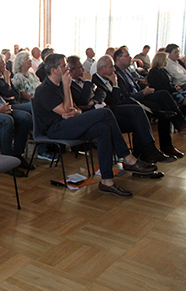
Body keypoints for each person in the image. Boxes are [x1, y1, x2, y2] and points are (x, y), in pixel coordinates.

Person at [34, 53, 157, 198]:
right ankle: (127, 157)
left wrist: (77, 112)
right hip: (56, 130)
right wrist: (67, 89)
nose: (67, 69)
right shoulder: (44, 90)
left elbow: (75, 109)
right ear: (54, 70)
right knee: (105, 113)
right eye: (63, 66)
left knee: (103, 129)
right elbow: (67, 111)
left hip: (68, 124)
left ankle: (107, 181)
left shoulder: (60, 85)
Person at [87, 55, 177, 163]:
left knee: (138, 115)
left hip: (120, 109)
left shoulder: (109, 78)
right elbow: (113, 102)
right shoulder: (96, 82)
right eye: (111, 67)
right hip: (110, 114)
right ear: (102, 68)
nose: (114, 69)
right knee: (137, 110)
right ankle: (149, 151)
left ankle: (141, 156)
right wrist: (115, 85)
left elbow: (121, 97)